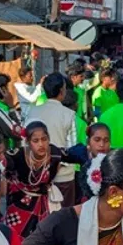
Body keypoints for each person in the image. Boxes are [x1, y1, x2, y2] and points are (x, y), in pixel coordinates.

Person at [24, 72, 78, 203]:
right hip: (62, 177)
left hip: (35, 175)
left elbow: (25, 143)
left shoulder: (31, 111)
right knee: (64, 218)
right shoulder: (69, 114)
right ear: (62, 91)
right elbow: (71, 150)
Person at [4, 121, 63, 239]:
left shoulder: (55, 153)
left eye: (44, 139)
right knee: (15, 236)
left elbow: (77, 154)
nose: (41, 144)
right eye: (35, 141)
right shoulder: (18, 155)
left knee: (43, 235)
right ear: (28, 142)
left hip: (42, 201)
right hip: (19, 202)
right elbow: (2, 163)